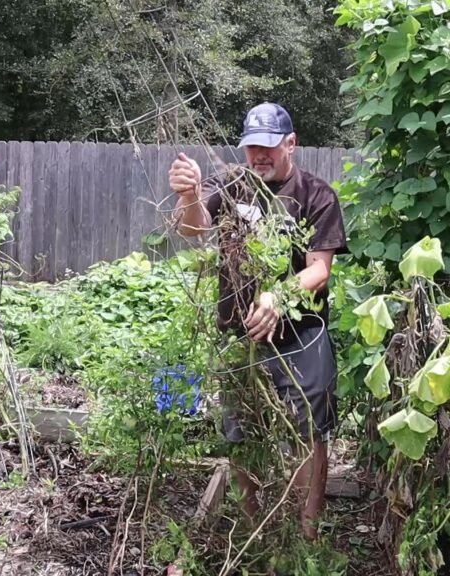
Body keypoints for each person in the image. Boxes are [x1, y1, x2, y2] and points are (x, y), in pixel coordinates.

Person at [167, 102, 347, 539]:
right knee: (241, 433)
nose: (259, 156)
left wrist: (280, 294)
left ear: (291, 144)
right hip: (239, 334)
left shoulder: (315, 195)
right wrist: (189, 195)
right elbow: (194, 229)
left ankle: (306, 537)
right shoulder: (230, 184)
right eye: (251, 147)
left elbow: (319, 269)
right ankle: (251, 531)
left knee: (308, 432)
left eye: (268, 147)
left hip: (301, 335)